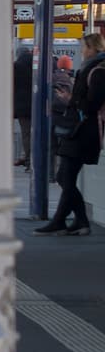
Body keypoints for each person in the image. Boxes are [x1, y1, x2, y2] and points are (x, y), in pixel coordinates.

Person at [41, 33, 105, 235]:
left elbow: (92, 104)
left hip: (84, 130)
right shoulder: (90, 69)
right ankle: (77, 221)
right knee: (66, 176)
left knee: (64, 176)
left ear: (93, 48)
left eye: (84, 47)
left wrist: (72, 99)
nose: (82, 51)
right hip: (80, 129)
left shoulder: (97, 71)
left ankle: (69, 220)